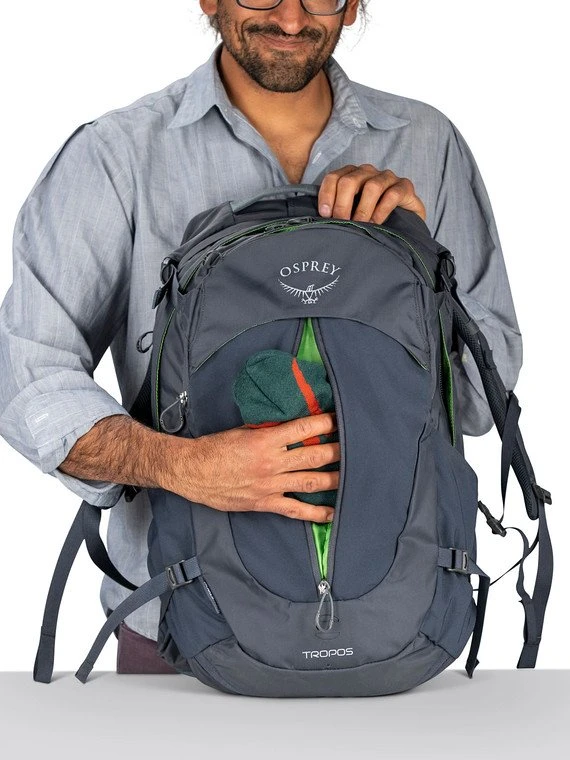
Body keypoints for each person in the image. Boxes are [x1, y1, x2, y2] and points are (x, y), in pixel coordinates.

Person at [0, 0, 522, 673]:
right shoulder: (118, 154)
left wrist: (419, 253)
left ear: (353, 4)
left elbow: (481, 399)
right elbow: (25, 377)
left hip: (401, 633)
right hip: (181, 638)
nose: (292, 17)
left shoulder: (427, 144)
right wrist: (182, 466)